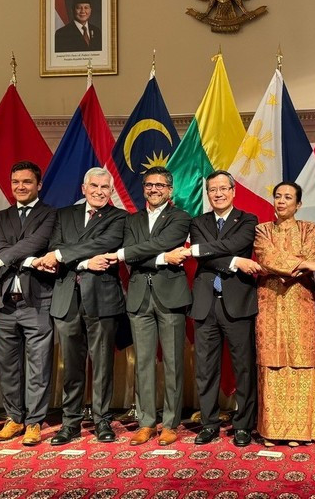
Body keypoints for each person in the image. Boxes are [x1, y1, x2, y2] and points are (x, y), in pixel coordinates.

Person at [32, 168, 126, 446]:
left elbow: (106, 243)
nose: (99, 191)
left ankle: (102, 421)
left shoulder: (119, 218)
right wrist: (84, 262)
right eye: (94, 186)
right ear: (83, 188)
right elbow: (55, 245)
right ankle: (70, 423)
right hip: (67, 300)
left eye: (105, 187)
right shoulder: (63, 215)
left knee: (102, 365)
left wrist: (62, 254)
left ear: (111, 191)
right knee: (71, 366)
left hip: (103, 301)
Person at [105, 167, 191, 447]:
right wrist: (164, 258)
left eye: (160, 185)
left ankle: (170, 423)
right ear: (143, 188)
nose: (154, 189)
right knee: (143, 362)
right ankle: (145, 422)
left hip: (171, 297)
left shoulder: (181, 217)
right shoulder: (132, 220)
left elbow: (162, 242)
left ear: (170, 190)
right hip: (140, 296)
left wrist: (131, 253)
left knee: (173, 363)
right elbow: (136, 255)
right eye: (149, 185)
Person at [174, 170, 260, 447]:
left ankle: (244, 425)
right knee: (205, 369)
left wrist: (203, 252)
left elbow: (235, 244)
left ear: (234, 191)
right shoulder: (198, 221)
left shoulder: (248, 220)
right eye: (213, 190)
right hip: (205, 304)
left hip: (239, 303)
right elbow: (206, 253)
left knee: (243, 368)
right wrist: (235, 262)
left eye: (224, 188)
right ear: (208, 194)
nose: (219, 194)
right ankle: (209, 424)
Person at [0, 161, 57, 447]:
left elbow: (37, 242)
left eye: (26, 182)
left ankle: (34, 421)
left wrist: (9, 258)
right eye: (15, 182)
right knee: (7, 366)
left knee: (38, 365)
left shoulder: (51, 214)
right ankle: (14, 418)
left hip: (37, 301)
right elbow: (0, 248)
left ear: (38, 185)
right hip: (5, 302)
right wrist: (27, 260)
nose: (20, 187)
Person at [253, 182, 315, 447]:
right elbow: (266, 256)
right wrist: (300, 264)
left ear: (299, 204)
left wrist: (293, 265)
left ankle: (299, 432)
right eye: (278, 196)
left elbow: (310, 254)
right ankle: (271, 430)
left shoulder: (309, 229)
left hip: (300, 300)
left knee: (301, 360)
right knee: (271, 360)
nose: (281, 201)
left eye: (288, 197)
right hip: (269, 302)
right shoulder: (262, 230)